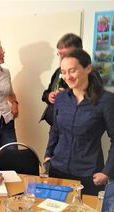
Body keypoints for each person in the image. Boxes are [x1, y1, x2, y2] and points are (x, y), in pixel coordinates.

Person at [44, 49, 114, 195]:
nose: (67, 76)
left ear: (88, 68)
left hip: (88, 174)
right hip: (58, 169)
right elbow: (55, 129)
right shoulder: (61, 98)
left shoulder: (105, 100)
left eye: (72, 71)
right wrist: (48, 154)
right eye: (63, 72)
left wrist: (107, 171)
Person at [40, 33, 83, 126]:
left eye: (65, 54)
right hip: (55, 125)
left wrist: (67, 95)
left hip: (75, 127)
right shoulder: (59, 71)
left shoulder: (88, 73)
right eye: (60, 54)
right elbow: (45, 94)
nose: (61, 58)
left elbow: (92, 101)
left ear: (79, 52)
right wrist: (49, 96)